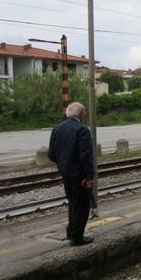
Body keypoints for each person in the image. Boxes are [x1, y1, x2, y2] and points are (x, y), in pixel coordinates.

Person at [48, 102, 95, 246]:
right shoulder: (82, 130)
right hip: (79, 174)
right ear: (81, 114)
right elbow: (85, 155)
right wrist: (89, 176)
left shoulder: (57, 128)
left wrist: (63, 164)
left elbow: (51, 154)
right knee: (82, 205)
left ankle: (71, 232)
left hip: (65, 172)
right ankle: (77, 237)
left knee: (73, 203)